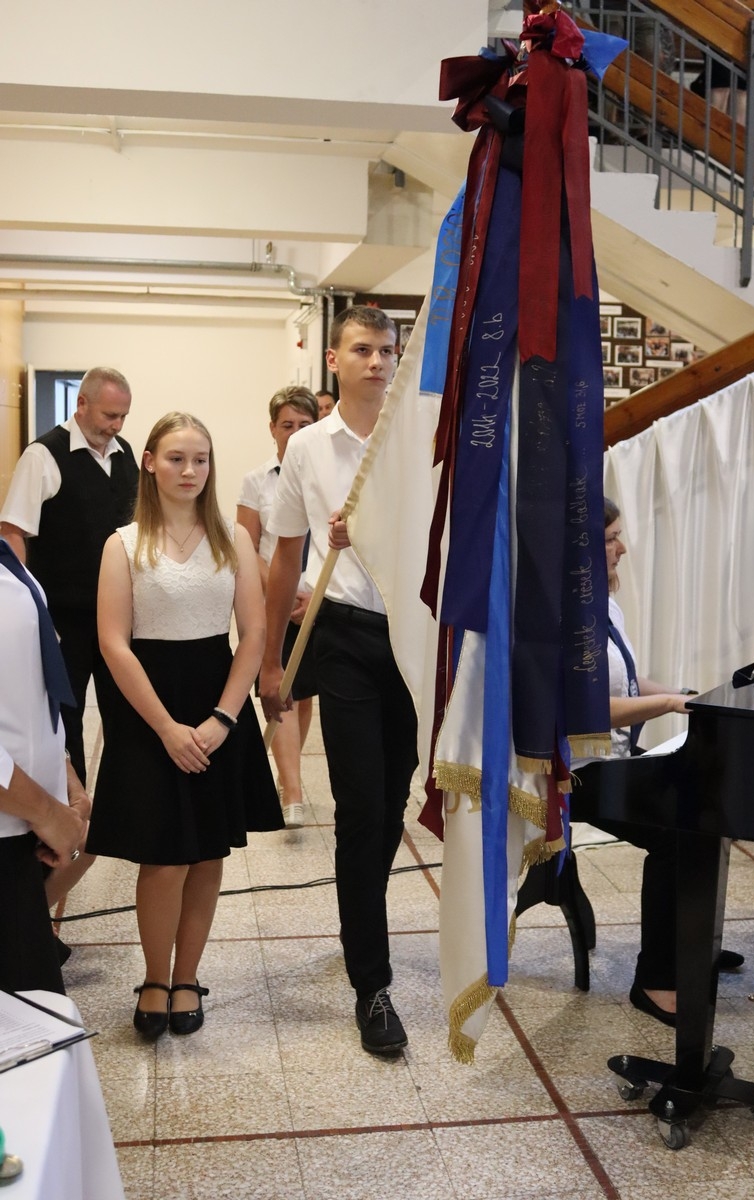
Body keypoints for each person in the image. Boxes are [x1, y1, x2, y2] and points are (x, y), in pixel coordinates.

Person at [86, 412, 283, 1040]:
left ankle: (188, 976)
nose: (190, 470)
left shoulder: (232, 539)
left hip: (215, 704)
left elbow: (253, 633)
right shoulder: (122, 544)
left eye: (200, 459)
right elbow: (114, 643)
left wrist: (224, 717)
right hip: (148, 711)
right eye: (176, 458)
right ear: (149, 462)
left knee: (205, 854)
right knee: (163, 857)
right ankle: (154, 976)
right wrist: (168, 729)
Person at [260, 306, 418, 1057]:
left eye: (387, 349)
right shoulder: (307, 448)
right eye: (362, 349)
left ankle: (363, 909)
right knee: (359, 805)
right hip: (345, 635)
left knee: (392, 803)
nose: (377, 361)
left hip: (412, 637)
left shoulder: (420, 434)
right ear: (334, 359)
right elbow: (286, 556)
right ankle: (372, 984)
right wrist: (270, 658)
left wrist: (381, 529)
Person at [571, 497, 742, 1025]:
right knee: (676, 835)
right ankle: (656, 980)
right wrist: (668, 705)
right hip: (575, 770)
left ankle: (693, 944)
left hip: (612, 755)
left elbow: (624, 680)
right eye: (610, 539)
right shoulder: (563, 617)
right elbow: (586, 710)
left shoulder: (603, 603)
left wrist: (688, 695)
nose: (622, 548)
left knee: (710, 803)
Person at [0, 366, 138, 785]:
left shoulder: (125, 452)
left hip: (119, 613)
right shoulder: (43, 455)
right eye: (109, 415)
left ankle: (122, 803)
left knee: (126, 710)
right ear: (81, 404)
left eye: (123, 417)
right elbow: (13, 531)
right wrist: (28, 607)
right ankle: (72, 803)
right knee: (67, 715)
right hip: (65, 618)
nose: (116, 426)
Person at [0, 538, 89, 994]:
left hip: (22, 823)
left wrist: (65, 775)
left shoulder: (9, 563)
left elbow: (30, 689)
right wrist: (49, 813)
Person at [237, 386, 319, 829]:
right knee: (281, 691)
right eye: (287, 425)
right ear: (272, 428)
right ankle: (292, 789)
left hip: (321, 598)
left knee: (303, 696)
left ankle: (292, 775)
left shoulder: (326, 475)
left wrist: (311, 595)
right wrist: (284, 594)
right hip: (276, 601)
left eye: (305, 425)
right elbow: (247, 546)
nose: (295, 432)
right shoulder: (257, 481)